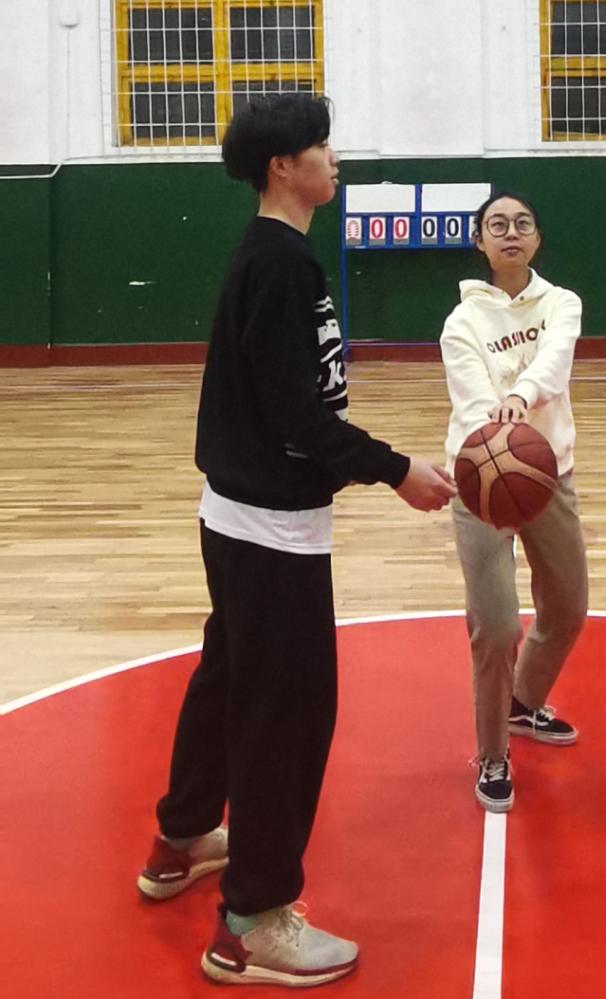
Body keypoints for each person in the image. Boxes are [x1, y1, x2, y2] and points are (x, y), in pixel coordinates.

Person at [135, 93, 456, 988]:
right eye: (322, 146)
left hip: (235, 512)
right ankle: (253, 921)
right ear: (284, 166)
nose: (334, 159)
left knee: (228, 678)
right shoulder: (280, 264)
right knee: (286, 719)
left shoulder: (272, 252)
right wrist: (396, 469)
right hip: (270, 526)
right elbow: (295, 414)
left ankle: (181, 837)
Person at [440, 192, 589, 812]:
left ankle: (523, 705)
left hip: (548, 475)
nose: (510, 232)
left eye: (522, 223)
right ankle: (493, 752)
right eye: (496, 224)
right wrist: (499, 425)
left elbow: (554, 362)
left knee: (568, 608)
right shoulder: (461, 322)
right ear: (479, 240)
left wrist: (521, 398)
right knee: (497, 626)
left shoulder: (562, 303)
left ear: (537, 238)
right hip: (480, 481)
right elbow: (473, 398)